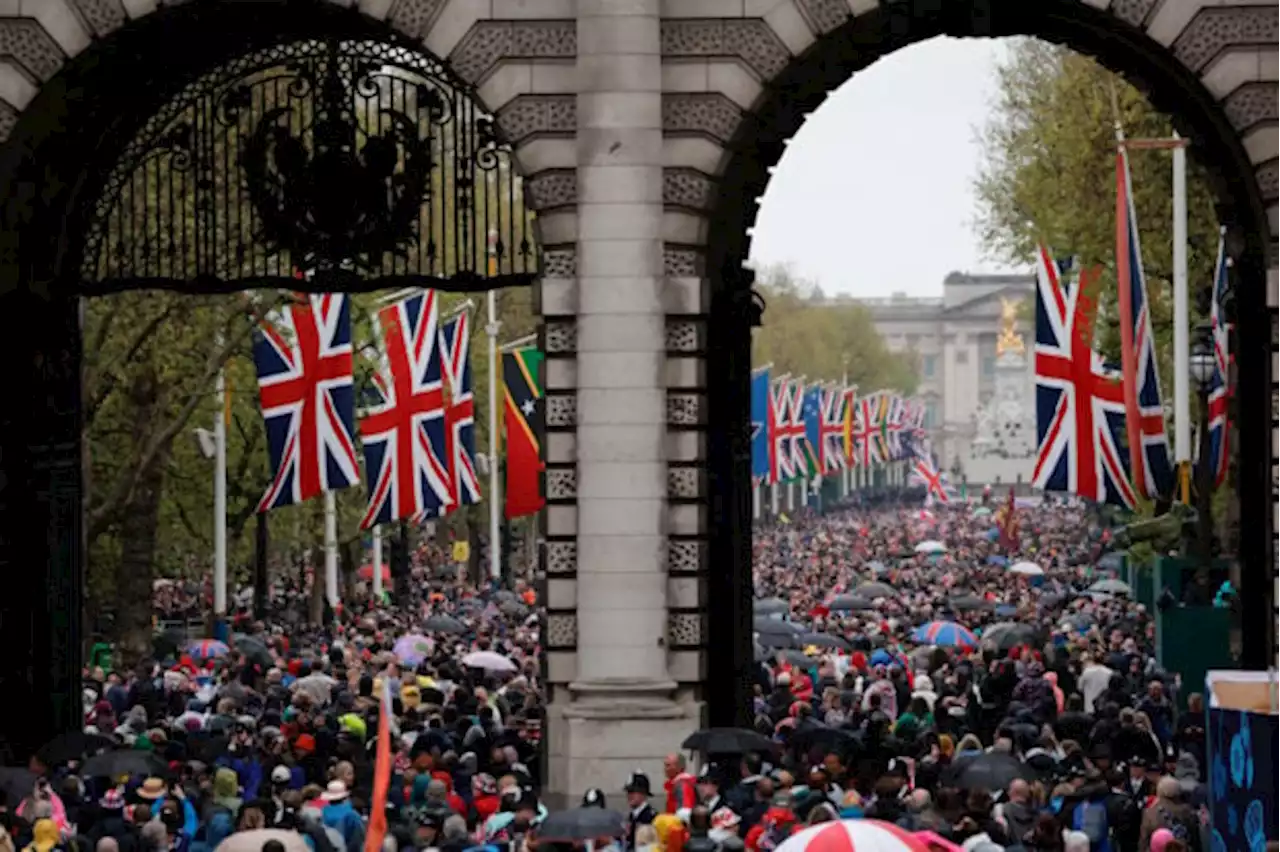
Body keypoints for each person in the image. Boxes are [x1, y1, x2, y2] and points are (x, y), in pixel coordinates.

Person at [624, 772, 657, 850]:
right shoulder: (631, 817)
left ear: (644, 793)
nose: (629, 795)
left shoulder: (651, 817)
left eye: (633, 791)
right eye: (628, 792)